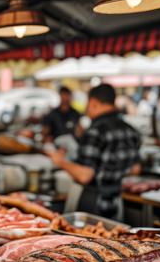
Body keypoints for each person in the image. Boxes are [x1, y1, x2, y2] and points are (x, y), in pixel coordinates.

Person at [45, 84, 141, 221]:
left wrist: (60, 161)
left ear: (93, 102)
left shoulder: (96, 130)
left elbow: (85, 175)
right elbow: (135, 169)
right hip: (117, 204)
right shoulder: (130, 130)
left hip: (92, 204)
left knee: (87, 241)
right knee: (112, 240)